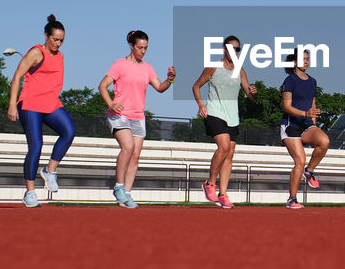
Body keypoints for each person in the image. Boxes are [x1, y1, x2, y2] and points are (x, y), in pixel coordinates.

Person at [98, 30, 175, 208]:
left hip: (138, 116)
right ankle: (118, 187)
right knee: (128, 147)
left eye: (145, 48)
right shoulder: (120, 64)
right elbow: (102, 85)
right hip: (119, 115)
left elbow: (160, 87)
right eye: (139, 47)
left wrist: (169, 80)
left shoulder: (147, 68)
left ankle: (127, 195)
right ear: (131, 46)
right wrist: (110, 104)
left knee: (135, 156)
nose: (143, 51)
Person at [7, 15, 75, 208]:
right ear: (46, 36)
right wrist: (12, 104)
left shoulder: (60, 56)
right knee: (36, 145)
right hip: (30, 104)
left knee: (69, 131)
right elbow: (17, 76)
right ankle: (30, 192)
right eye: (55, 39)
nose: (58, 44)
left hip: (51, 103)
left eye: (61, 40)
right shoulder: (36, 53)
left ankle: (49, 170)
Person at [191, 35, 258, 209]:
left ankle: (223, 194)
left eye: (237, 49)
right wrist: (200, 104)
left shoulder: (240, 70)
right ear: (224, 49)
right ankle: (210, 183)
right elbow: (196, 86)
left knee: (229, 154)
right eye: (231, 48)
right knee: (224, 146)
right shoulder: (214, 66)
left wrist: (252, 92)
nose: (234, 52)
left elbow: (248, 95)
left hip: (232, 116)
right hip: (214, 112)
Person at [280, 49, 330, 209]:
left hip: (307, 125)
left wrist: (313, 120)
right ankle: (292, 199)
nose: (306, 61)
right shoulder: (290, 80)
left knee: (324, 141)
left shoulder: (313, 81)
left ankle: (310, 171)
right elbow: (286, 107)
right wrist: (305, 113)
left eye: (308, 58)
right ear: (294, 62)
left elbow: (312, 105)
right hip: (290, 127)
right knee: (299, 161)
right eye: (303, 58)